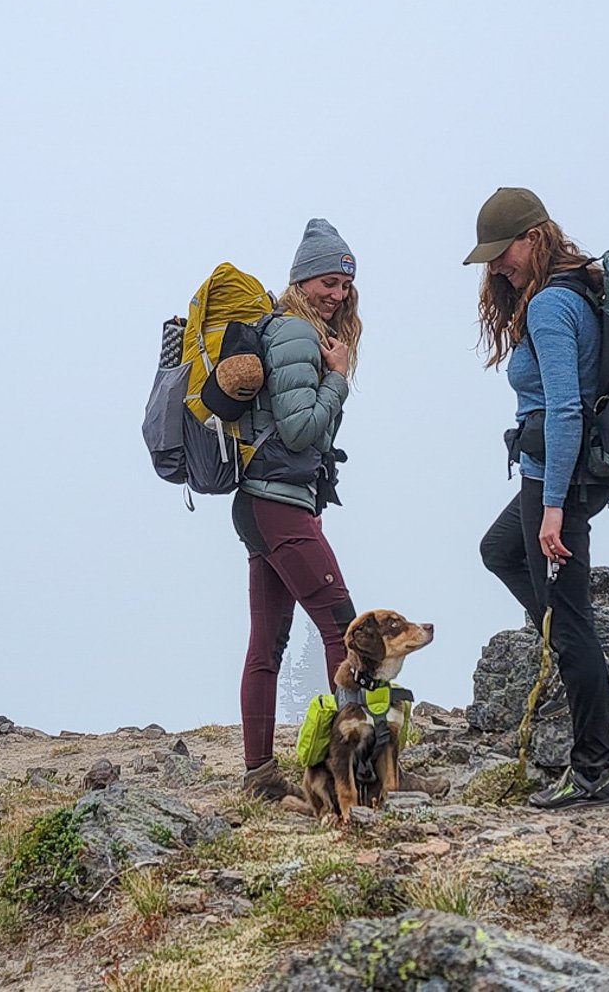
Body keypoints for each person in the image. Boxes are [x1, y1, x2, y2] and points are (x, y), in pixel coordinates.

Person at [466, 187, 609, 811]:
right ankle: (582, 662)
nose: (496, 265)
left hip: (555, 480)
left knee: (572, 625)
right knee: (498, 549)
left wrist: (555, 505)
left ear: (533, 238)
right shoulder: (569, 293)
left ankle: (594, 771)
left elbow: (565, 408)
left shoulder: (551, 307)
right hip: (550, 474)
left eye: (501, 251)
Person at [231, 218, 361, 803]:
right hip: (279, 506)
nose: (336, 295)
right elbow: (303, 429)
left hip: (267, 504)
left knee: (268, 644)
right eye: (327, 283)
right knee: (348, 632)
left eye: (345, 286)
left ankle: (261, 777)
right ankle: (355, 773)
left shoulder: (295, 331)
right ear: (301, 281)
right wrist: (339, 379)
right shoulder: (295, 336)